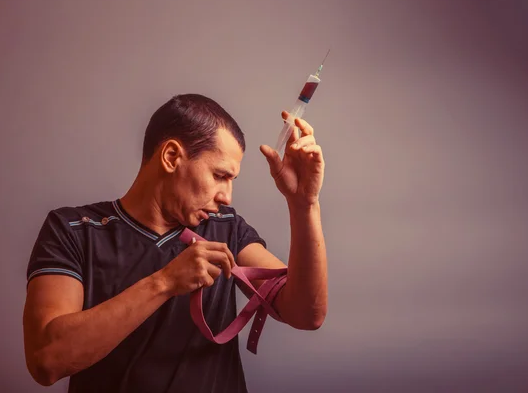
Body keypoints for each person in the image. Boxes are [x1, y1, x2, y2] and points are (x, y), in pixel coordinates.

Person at [22, 94, 328, 393]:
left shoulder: (226, 227)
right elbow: (46, 361)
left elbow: (307, 314)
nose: (227, 197)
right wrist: (165, 282)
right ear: (171, 157)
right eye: (220, 175)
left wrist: (304, 204)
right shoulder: (73, 230)